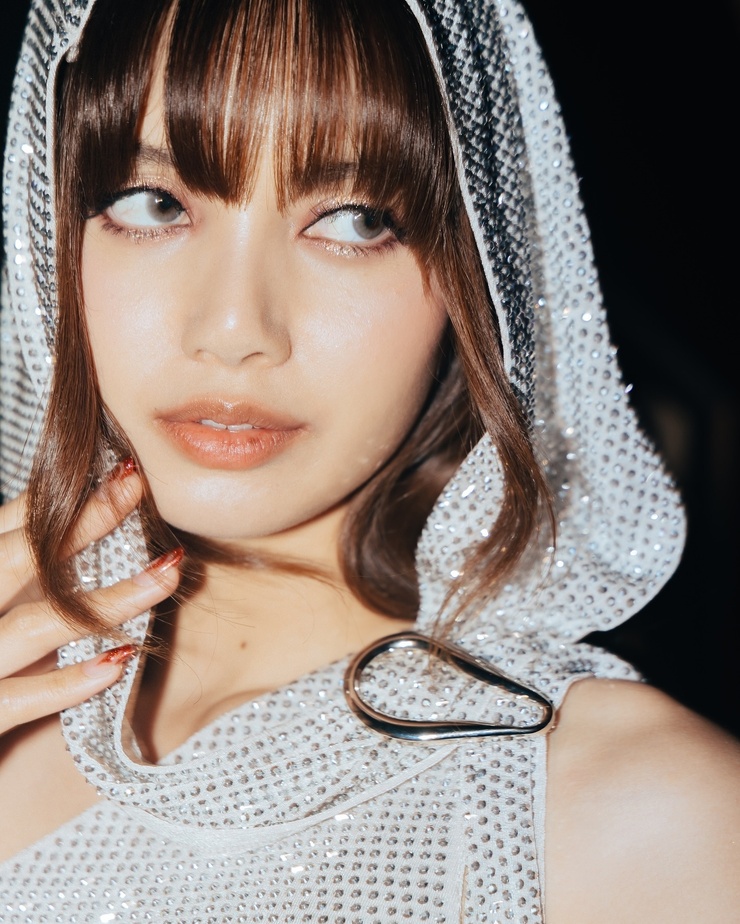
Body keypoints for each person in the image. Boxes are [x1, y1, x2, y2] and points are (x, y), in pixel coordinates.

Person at [0, 0, 737, 920]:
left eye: (354, 221)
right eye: (154, 204)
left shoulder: (640, 821)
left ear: (479, 272)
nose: (233, 329)